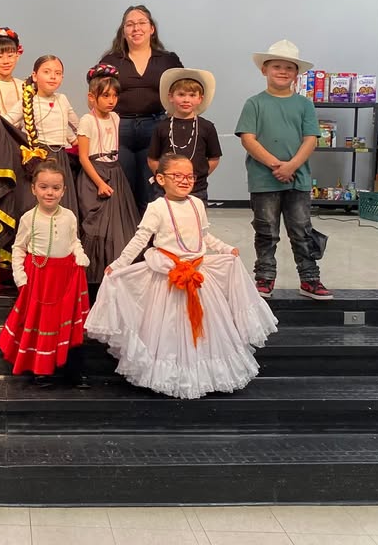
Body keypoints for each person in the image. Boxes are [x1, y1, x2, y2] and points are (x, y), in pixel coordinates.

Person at [85, 153, 278, 399]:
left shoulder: (197, 204)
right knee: (169, 329)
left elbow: (204, 236)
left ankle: (203, 374)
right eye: (178, 176)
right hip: (168, 279)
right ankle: (171, 375)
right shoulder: (157, 208)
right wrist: (119, 263)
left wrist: (224, 249)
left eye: (189, 176)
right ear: (161, 179)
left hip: (197, 274)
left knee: (205, 330)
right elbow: (140, 240)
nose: (185, 180)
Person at [234, 39, 332, 301]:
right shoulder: (254, 104)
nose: (282, 71)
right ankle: (265, 277)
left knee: (302, 229)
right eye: (276, 66)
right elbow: (248, 138)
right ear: (264, 69)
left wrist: (291, 166)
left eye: (289, 68)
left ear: (296, 73)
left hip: (297, 179)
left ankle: (310, 278)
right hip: (263, 179)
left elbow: (310, 138)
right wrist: (275, 165)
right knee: (266, 230)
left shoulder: (304, 104)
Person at [0, 160, 91, 387]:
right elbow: (18, 248)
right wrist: (19, 275)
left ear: (64, 191)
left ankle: (73, 373)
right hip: (40, 280)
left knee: (67, 323)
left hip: (67, 279)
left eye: (56, 188)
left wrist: (79, 254)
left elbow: (73, 240)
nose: (50, 192)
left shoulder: (69, 216)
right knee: (42, 323)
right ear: (33, 188)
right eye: (44, 187)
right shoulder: (29, 218)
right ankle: (41, 372)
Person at [99, 5, 183, 214]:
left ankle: (152, 242)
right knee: (123, 185)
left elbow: (182, 92)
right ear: (123, 31)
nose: (136, 28)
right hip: (120, 128)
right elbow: (97, 94)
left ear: (151, 28)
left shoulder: (168, 60)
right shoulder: (111, 61)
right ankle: (126, 241)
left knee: (152, 186)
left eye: (141, 23)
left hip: (155, 127)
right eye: (130, 24)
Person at [75, 64, 139, 282]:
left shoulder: (116, 118)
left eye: (114, 95)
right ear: (92, 97)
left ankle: (118, 272)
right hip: (96, 173)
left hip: (114, 170)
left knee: (119, 223)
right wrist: (100, 183)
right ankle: (93, 277)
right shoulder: (87, 120)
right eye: (105, 96)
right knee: (97, 222)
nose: (111, 100)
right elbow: (84, 156)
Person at [3, 54, 80, 216]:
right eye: (47, 72)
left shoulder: (63, 99)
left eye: (58, 73)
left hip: (60, 160)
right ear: (35, 76)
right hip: (37, 159)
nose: (53, 76)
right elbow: (6, 123)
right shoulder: (27, 101)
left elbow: (77, 128)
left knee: (63, 209)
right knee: (35, 208)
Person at [147, 68, 222, 204]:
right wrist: (165, 180)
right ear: (171, 97)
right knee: (166, 223)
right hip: (165, 190)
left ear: (200, 98)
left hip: (197, 189)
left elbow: (214, 158)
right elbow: (153, 159)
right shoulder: (161, 127)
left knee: (194, 222)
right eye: (181, 94)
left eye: (192, 95)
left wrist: (194, 177)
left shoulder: (207, 127)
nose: (186, 100)